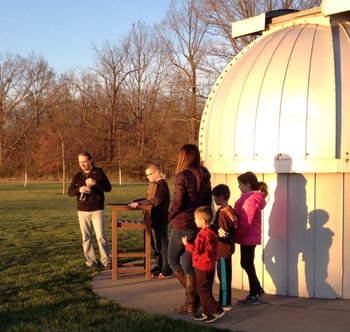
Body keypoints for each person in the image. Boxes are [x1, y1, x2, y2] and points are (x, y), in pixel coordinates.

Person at [168, 144, 212, 316]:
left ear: (183, 157)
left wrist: (169, 216)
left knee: (172, 259)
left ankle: (192, 300)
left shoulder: (182, 175)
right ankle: (191, 304)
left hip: (182, 224)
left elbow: (178, 203)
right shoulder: (205, 173)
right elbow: (207, 200)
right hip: (197, 223)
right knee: (188, 264)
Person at [68, 151, 112, 269]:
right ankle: (90, 261)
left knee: (101, 236)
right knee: (86, 237)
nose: (82, 164)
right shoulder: (77, 176)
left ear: (90, 160)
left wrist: (96, 183)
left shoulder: (99, 172)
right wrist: (79, 189)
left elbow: (108, 188)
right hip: (82, 210)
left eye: (84, 162)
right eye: (80, 162)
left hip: (97, 209)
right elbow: (70, 192)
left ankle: (106, 260)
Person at [128, 162, 172, 279]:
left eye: (149, 174)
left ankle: (166, 270)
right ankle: (160, 267)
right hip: (152, 219)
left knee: (162, 246)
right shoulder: (154, 185)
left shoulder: (161, 185)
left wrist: (139, 203)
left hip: (160, 219)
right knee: (156, 246)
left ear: (156, 172)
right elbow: (149, 199)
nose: (147, 177)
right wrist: (135, 201)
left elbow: (156, 201)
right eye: (146, 175)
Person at [182, 206, 224, 324]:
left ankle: (216, 310)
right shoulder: (211, 232)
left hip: (202, 266)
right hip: (210, 266)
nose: (194, 221)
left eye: (196, 219)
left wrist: (186, 244)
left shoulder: (202, 235)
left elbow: (196, 250)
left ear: (203, 221)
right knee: (207, 289)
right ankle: (206, 311)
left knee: (201, 290)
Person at [234, 171, 268, 305]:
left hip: (247, 236)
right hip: (248, 236)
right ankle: (257, 288)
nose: (239, 187)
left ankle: (254, 294)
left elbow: (246, 222)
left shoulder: (249, 200)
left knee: (246, 263)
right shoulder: (252, 198)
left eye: (240, 184)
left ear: (247, 184)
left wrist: (237, 235)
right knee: (247, 263)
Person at [211, 184, 237, 312]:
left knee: (224, 277)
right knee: (225, 275)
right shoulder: (230, 210)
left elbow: (223, 233)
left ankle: (225, 303)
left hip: (222, 249)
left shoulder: (222, 213)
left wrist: (213, 233)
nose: (214, 200)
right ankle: (223, 300)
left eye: (215, 197)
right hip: (228, 248)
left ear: (220, 197)